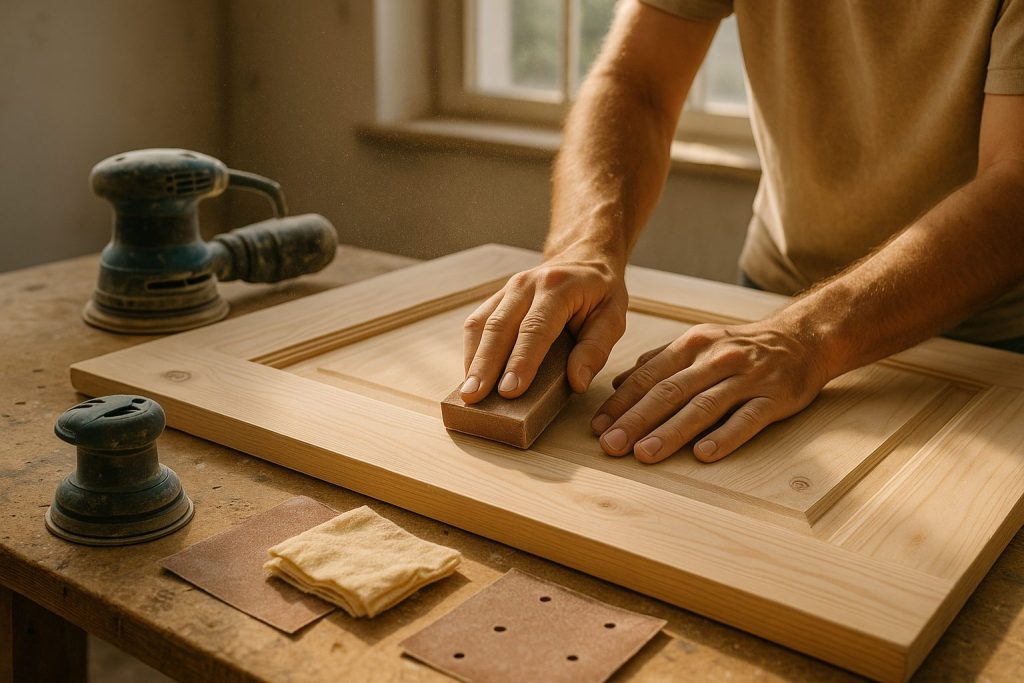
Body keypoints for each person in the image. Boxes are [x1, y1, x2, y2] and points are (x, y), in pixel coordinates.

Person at [460, 0, 1024, 465]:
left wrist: (808, 337)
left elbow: (1015, 185)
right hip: (770, 298)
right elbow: (638, 82)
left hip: (988, 344)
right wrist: (585, 247)